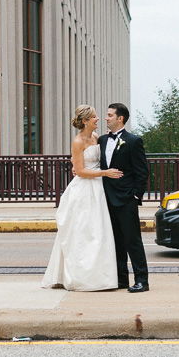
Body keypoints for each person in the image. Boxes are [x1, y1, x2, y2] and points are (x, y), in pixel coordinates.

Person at [42, 105, 122, 291]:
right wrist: (105, 173)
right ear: (85, 121)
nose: (97, 119)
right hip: (85, 190)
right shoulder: (78, 141)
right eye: (94, 117)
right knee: (82, 233)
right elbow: (79, 171)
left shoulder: (95, 138)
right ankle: (81, 277)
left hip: (98, 188)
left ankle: (100, 277)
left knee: (99, 233)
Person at [99, 103, 150, 293]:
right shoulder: (102, 140)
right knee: (115, 241)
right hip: (106, 199)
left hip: (126, 199)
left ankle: (142, 280)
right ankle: (121, 279)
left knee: (132, 240)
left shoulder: (134, 141)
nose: (106, 118)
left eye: (110, 115)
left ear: (120, 118)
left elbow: (142, 171)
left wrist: (135, 195)